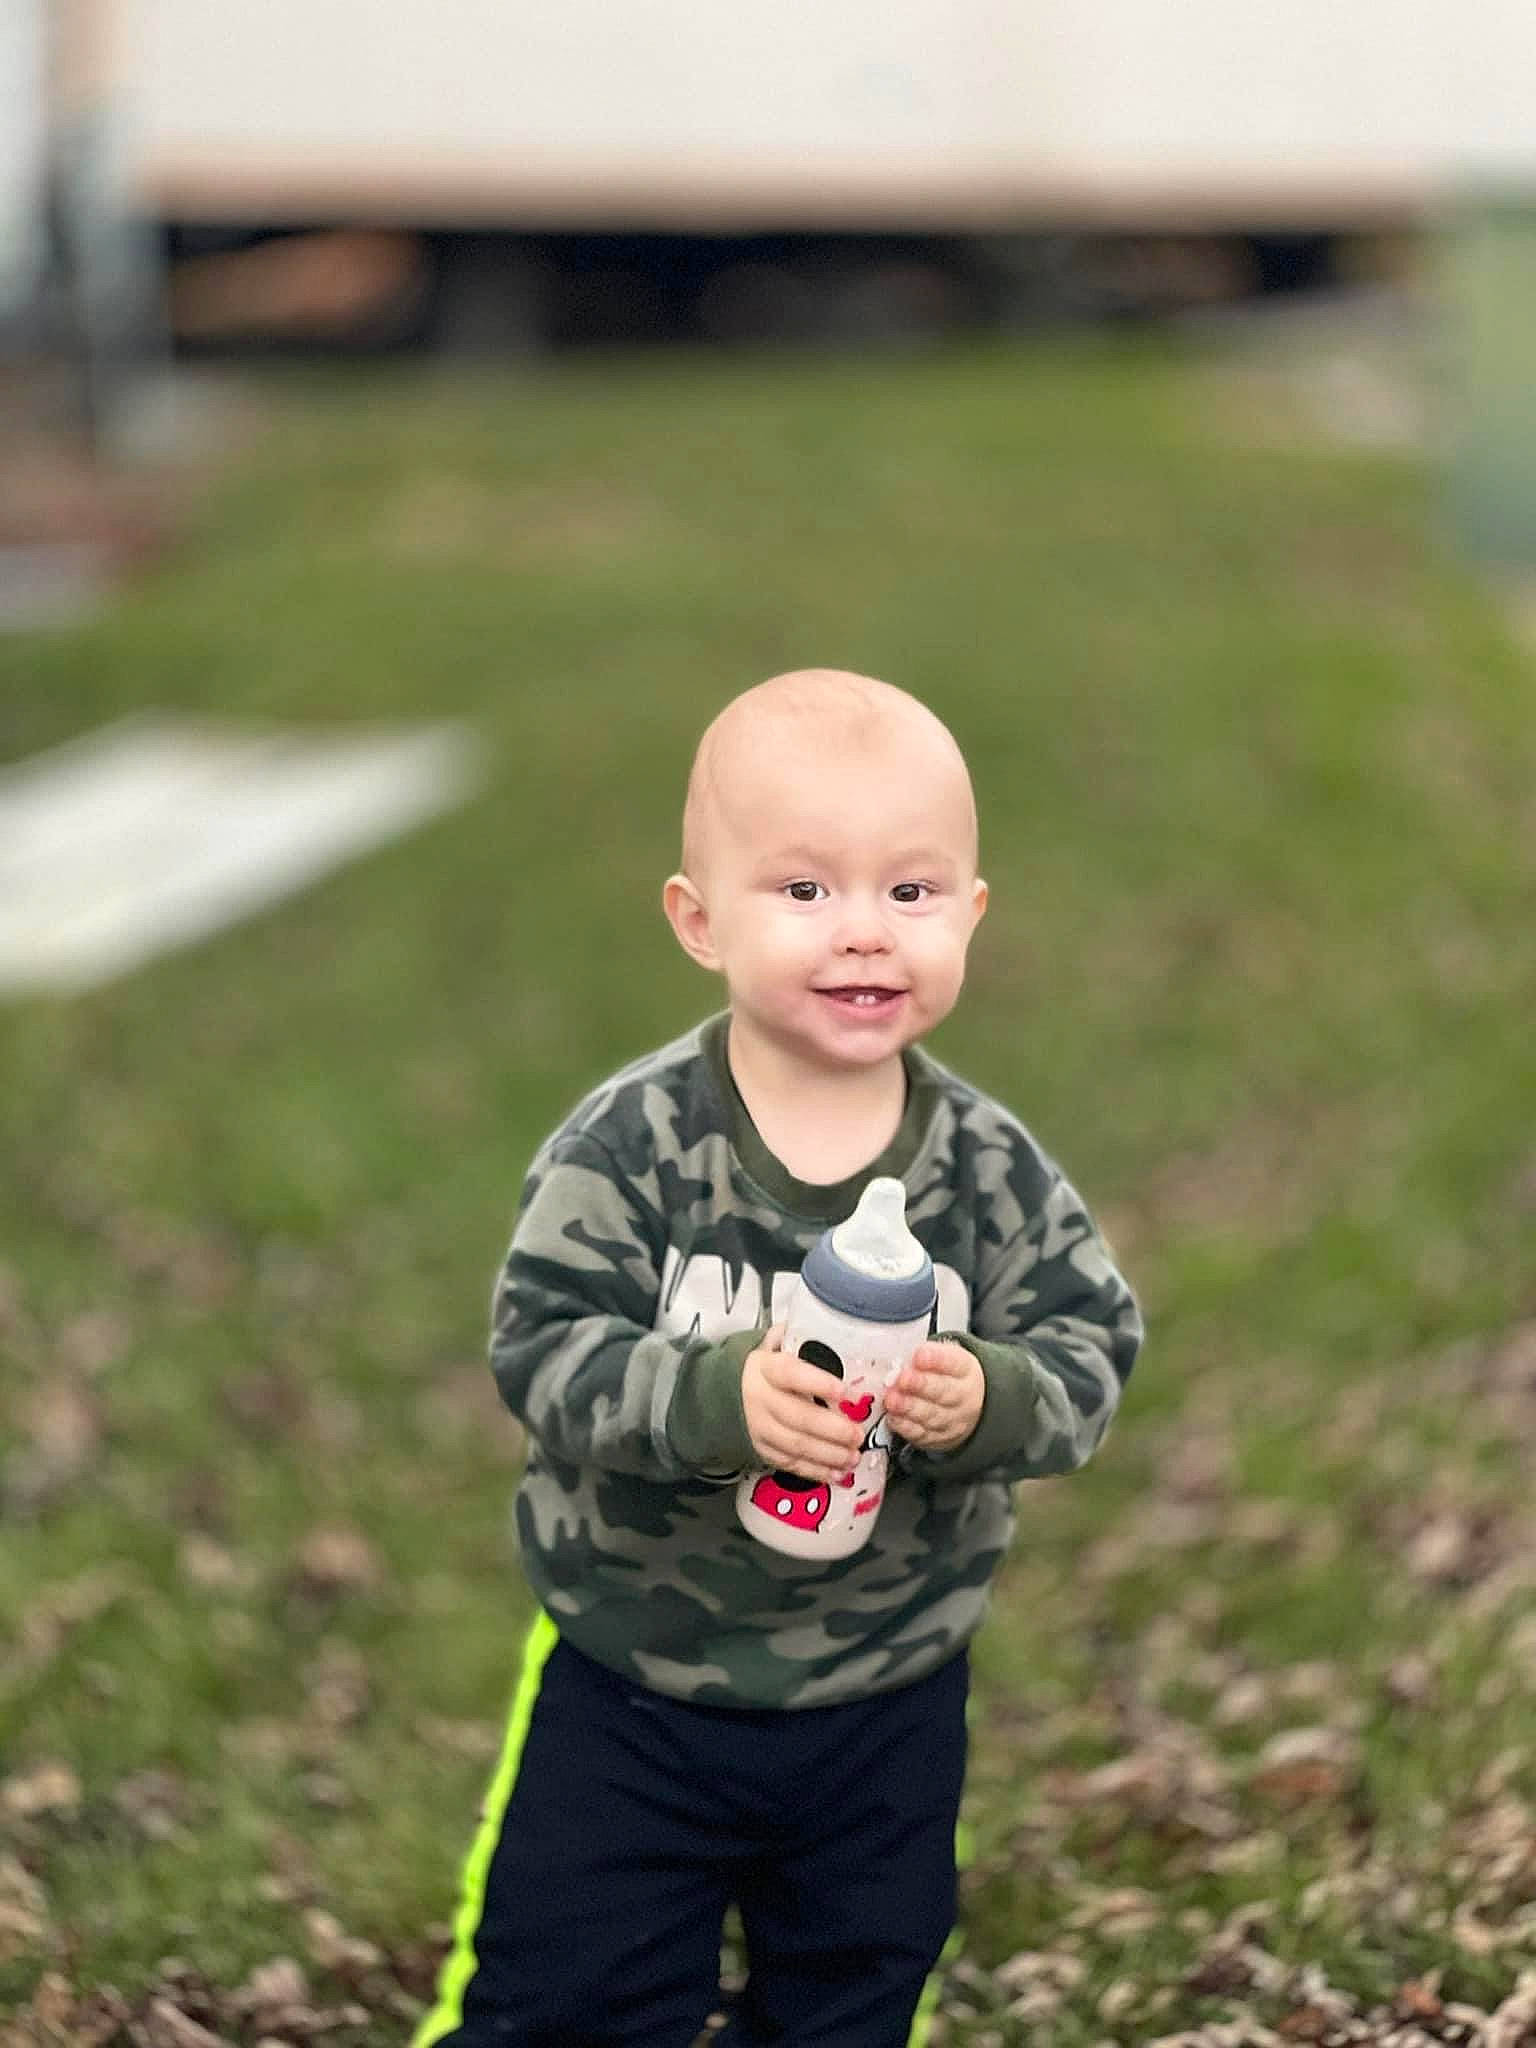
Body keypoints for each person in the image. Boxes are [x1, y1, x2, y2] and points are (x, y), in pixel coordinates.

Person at [414, 668, 1142, 2048]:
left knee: (852, 1997)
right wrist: (711, 1397)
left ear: (971, 913)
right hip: (638, 1682)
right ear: (700, 920)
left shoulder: (986, 1173)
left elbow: (1090, 1344)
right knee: (565, 1999)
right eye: (805, 891)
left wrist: (989, 1396)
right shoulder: (630, 1147)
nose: (864, 931)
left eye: (911, 893)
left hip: (889, 1696)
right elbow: (541, 1345)